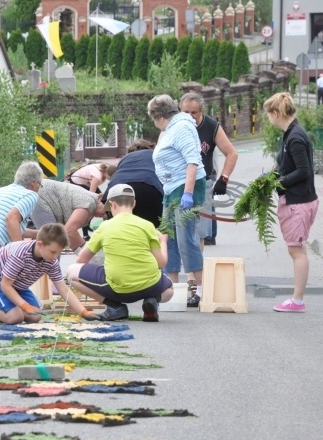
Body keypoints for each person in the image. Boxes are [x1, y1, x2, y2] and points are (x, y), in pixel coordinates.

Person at [66, 184, 173, 322]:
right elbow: (161, 263)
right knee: (169, 288)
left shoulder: (105, 226)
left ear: (112, 204)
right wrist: (163, 241)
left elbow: (81, 260)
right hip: (149, 286)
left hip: (116, 288)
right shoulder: (148, 225)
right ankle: (152, 300)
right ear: (134, 204)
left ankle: (114, 306)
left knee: (71, 273)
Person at [0, 223, 99, 324]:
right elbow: (5, 286)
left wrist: (83, 311)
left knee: (35, 316)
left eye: (59, 252)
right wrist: (24, 306)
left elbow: (63, 289)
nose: (55, 256)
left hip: (17, 286)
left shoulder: (50, 260)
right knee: (15, 318)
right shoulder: (20, 255)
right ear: (40, 244)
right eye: (53, 252)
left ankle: (2, 310)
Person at [148, 94, 207, 308]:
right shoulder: (167, 130)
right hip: (171, 188)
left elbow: (192, 161)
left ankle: (200, 290)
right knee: (167, 237)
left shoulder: (181, 128)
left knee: (185, 239)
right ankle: (172, 288)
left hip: (185, 187)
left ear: (160, 116)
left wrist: (188, 194)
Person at [264, 92, 319, 313]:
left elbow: (303, 171)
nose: (269, 119)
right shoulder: (291, 134)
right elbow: (289, 166)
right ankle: (297, 299)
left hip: (298, 201)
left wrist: (278, 183)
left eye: (269, 114)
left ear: (276, 113)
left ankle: (297, 301)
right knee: (296, 250)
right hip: (297, 199)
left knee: (297, 251)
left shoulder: (295, 137)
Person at [179, 91, 239, 247]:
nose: (190, 116)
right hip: (178, 183)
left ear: (201, 112)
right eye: (186, 112)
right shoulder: (174, 126)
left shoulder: (211, 126)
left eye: (194, 112)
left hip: (202, 183)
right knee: (177, 229)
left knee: (199, 232)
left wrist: (223, 178)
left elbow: (231, 153)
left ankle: (197, 268)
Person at [27, 179, 106, 253]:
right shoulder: (89, 204)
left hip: (41, 192)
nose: (105, 215)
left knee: (52, 240)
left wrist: (80, 254)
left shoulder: (90, 199)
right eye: (106, 211)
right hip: (41, 195)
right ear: (100, 200)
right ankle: (25, 233)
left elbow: (67, 234)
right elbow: (69, 231)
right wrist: (86, 251)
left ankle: (25, 232)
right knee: (51, 241)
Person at [102, 139, 164, 228]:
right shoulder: (155, 154)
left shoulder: (125, 157)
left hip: (119, 186)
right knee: (153, 226)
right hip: (149, 186)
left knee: (120, 225)